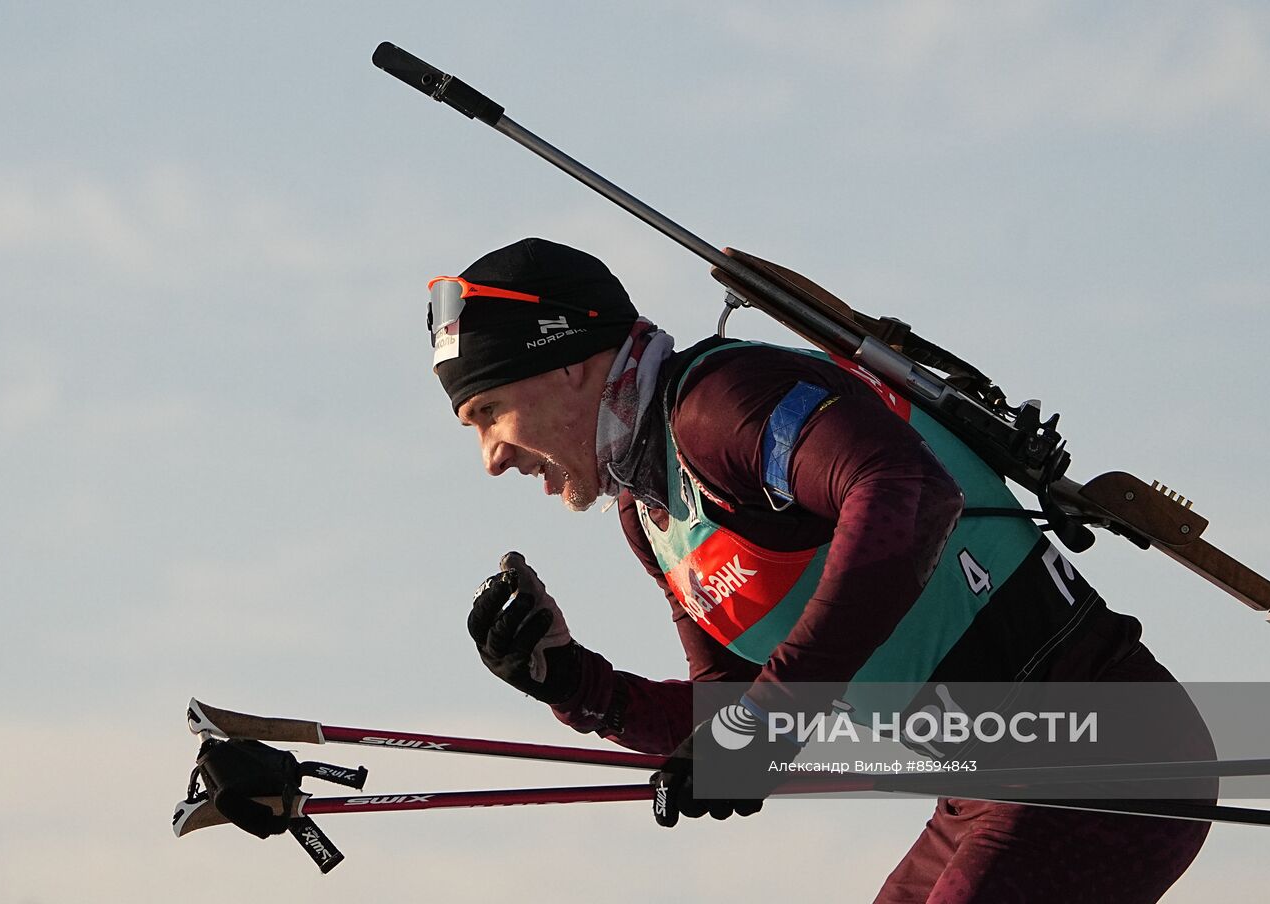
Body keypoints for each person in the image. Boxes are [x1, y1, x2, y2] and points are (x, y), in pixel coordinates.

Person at [431, 237, 1212, 902]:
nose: (491, 458)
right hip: (983, 788)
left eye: (489, 413)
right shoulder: (651, 510)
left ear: (567, 363)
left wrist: (765, 725)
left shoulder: (719, 405)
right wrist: (575, 685)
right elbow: (728, 720)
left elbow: (906, 492)